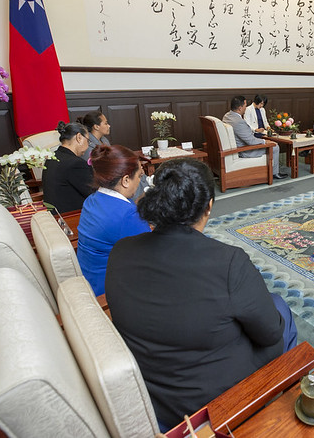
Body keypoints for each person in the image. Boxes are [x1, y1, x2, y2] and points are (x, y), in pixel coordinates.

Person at [105, 158, 297, 431]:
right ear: (208, 206)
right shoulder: (229, 262)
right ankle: (284, 408)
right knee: (281, 311)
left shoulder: (121, 250)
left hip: (151, 392)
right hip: (210, 402)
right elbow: (270, 334)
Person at [76, 145, 151, 295]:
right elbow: (152, 255)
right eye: (139, 177)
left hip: (90, 281)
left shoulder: (92, 200)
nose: (139, 182)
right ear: (126, 180)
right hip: (109, 292)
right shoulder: (128, 216)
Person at [223, 96, 287, 179]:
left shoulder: (227, 116)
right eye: (245, 105)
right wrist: (264, 142)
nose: (246, 107)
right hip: (244, 150)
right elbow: (251, 141)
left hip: (238, 145)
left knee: (268, 142)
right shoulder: (239, 122)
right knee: (275, 146)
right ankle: (274, 173)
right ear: (240, 108)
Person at [42, 121, 94, 213]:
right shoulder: (76, 164)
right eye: (88, 141)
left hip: (54, 215)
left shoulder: (52, 157)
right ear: (79, 137)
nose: (87, 146)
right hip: (72, 216)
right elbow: (94, 194)